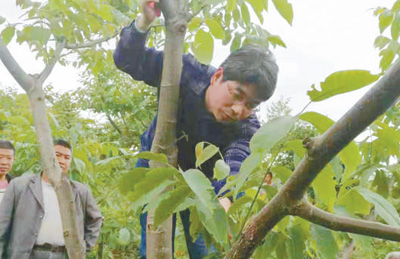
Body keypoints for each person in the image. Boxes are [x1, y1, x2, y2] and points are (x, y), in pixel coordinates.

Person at [113, 0, 279, 258]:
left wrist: (224, 200)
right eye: (237, 94)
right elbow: (127, 60)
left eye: (251, 104)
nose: (239, 109)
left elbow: (236, 163)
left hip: (203, 187)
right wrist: (144, 21)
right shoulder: (185, 72)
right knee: (154, 246)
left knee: (205, 252)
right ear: (217, 76)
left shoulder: (247, 126)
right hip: (156, 167)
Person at [0, 139, 102, 259]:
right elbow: (2, 225)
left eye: (67, 157)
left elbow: (95, 219)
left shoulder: (80, 191)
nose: (61, 161)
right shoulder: (19, 186)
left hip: (63, 254)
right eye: (57, 155)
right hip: (26, 254)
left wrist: (84, 246)